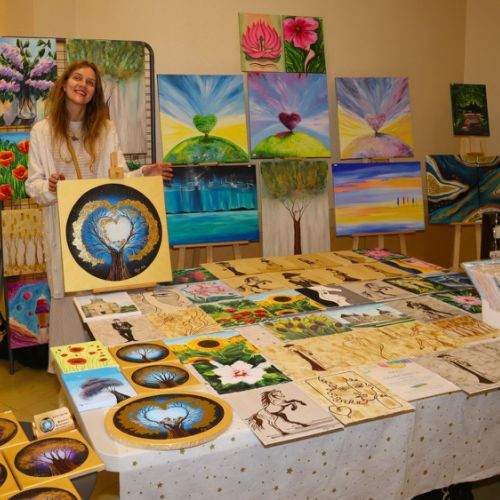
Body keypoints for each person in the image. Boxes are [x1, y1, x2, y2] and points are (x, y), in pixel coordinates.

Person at [26, 60, 173, 363]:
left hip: (102, 238)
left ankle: (119, 369)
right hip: (64, 237)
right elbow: (33, 185)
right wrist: (50, 187)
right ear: (64, 84)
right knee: (69, 312)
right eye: (77, 78)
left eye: (90, 82)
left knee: (110, 307)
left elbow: (117, 178)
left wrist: (144, 173)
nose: (83, 85)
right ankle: (74, 377)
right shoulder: (42, 131)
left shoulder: (106, 129)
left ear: (95, 91)